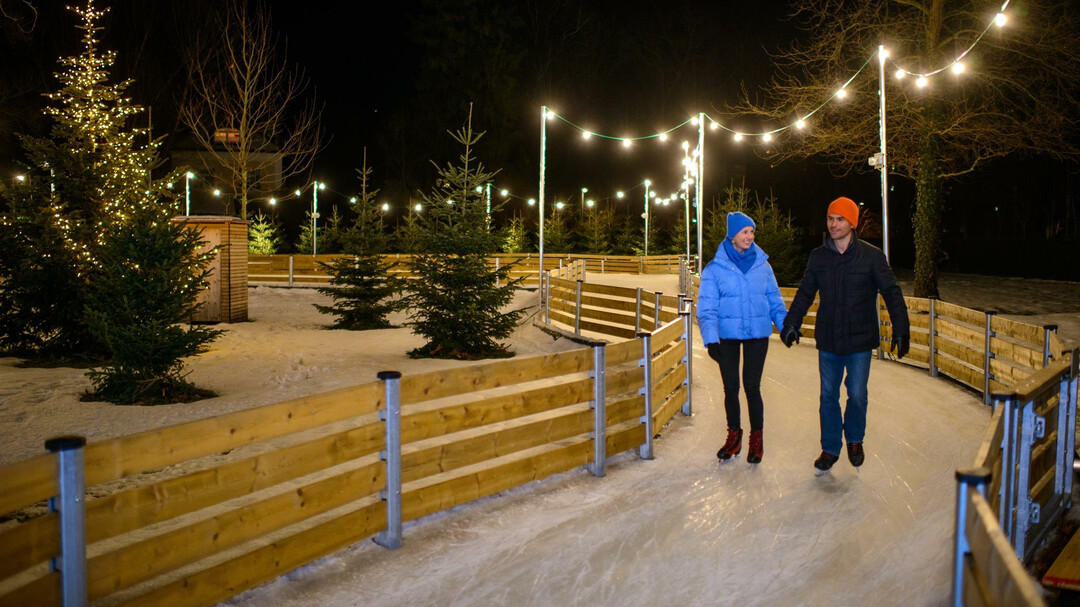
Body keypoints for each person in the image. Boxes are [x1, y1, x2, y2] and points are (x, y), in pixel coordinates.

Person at [780, 197, 910, 475]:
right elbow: (805, 292)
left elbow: (891, 291)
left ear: (852, 223)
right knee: (828, 395)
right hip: (829, 339)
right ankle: (830, 447)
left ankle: (854, 439)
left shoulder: (872, 256)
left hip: (860, 340)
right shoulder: (819, 257)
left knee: (857, 394)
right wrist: (792, 322)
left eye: (840, 219)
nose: (834, 224)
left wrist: (901, 328)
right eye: (830, 219)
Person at [697, 211, 789, 464]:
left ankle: (756, 439)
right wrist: (711, 338)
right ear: (733, 235)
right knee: (731, 388)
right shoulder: (715, 269)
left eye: (751, 232)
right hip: (726, 336)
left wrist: (785, 327)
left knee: (751, 386)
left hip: (757, 334)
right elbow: (706, 307)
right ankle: (734, 436)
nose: (749, 236)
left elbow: (775, 301)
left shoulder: (763, 265)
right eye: (745, 232)